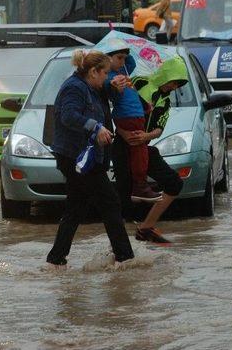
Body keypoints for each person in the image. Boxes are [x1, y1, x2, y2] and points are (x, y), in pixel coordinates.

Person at [46, 49, 135, 269]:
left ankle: (56, 260)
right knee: (110, 201)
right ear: (93, 71)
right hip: (76, 158)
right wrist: (95, 127)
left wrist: (115, 88)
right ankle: (124, 258)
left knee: (76, 208)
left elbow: (109, 97)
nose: (107, 77)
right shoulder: (74, 87)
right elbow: (68, 116)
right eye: (104, 73)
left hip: (86, 157)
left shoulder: (93, 87)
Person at [112, 55, 189, 244]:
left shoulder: (165, 101)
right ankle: (118, 246)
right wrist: (122, 132)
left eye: (178, 85)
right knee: (123, 200)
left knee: (175, 183)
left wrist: (146, 137)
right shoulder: (138, 82)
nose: (174, 87)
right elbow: (117, 109)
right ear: (165, 75)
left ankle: (146, 228)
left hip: (144, 149)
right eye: (173, 82)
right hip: (122, 147)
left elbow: (159, 128)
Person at [101, 38, 162, 202]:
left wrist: (122, 47)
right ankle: (140, 186)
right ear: (107, 59)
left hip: (135, 115)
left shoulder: (125, 70)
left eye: (124, 57)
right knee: (140, 151)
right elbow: (110, 88)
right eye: (119, 57)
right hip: (129, 117)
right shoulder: (111, 77)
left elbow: (131, 61)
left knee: (139, 150)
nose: (123, 61)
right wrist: (115, 85)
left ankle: (139, 186)